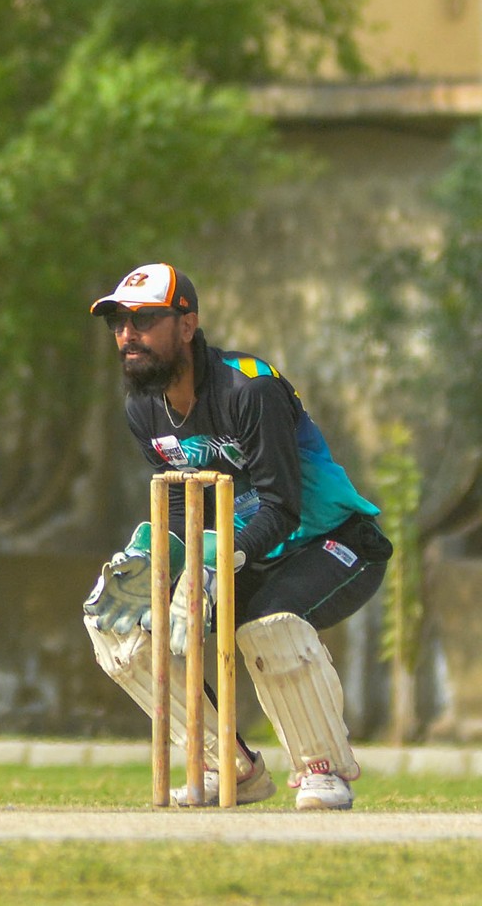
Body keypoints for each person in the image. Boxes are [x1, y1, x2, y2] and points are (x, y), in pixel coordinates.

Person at [82, 263, 391, 810]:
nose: (128, 335)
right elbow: (183, 508)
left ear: (187, 324)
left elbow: (281, 507)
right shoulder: (142, 409)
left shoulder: (249, 388)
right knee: (121, 629)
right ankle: (228, 766)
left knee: (268, 624)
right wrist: (153, 557)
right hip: (245, 556)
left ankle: (322, 768)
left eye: (144, 320)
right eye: (118, 323)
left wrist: (215, 560)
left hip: (334, 542)